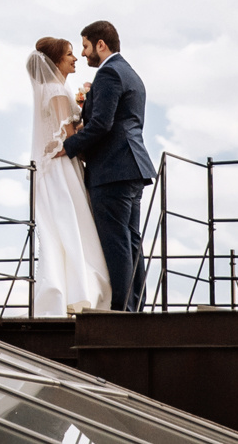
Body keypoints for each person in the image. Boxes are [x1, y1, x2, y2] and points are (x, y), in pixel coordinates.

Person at [56, 20, 155, 311]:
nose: (84, 54)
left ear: (101, 44)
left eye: (86, 46)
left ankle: (121, 311)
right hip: (133, 166)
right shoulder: (130, 73)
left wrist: (70, 146)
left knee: (116, 242)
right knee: (131, 242)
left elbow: (101, 123)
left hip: (113, 170)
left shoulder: (109, 72)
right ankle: (133, 306)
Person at [25, 36, 111, 316]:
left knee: (57, 231)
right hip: (63, 169)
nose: (75, 59)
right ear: (55, 61)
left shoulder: (50, 89)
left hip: (52, 168)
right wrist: (86, 122)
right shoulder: (57, 91)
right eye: (70, 54)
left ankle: (63, 291)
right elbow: (68, 136)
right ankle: (81, 292)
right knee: (74, 227)